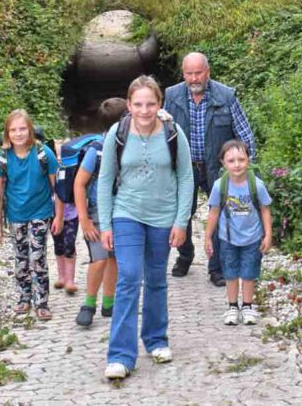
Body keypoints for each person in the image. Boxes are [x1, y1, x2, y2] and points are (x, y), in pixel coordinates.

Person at [97, 76, 193, 380]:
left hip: (163, 217)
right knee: (128, 277)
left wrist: (181, 221)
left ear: (159, 104)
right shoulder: (118, 133)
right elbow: (104, 179)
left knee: (155, 279)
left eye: (150, 103)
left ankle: (156, 339)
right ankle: (121, 355)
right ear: (128, 105)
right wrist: (105, 223)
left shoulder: (173, 133)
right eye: (138, 104)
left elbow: (187, 178)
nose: (144, 110)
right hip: (127, 213)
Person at [164, 52, 257, 287]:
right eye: (189, 73)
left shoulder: (226, 96)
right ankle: (185, 256)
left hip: (217, 166)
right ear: (183, 74)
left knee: (222, 216)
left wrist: (242, 168)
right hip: (184, 167)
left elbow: (244, 135)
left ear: (208, 72)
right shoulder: (172, 96)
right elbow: (163, 132)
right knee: (181, 211)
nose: (194, 78)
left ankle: (217, 266)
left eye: (198, 73)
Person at [0, 109, 64, 321]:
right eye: (13, 130)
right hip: (15, 214)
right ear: (7, 133)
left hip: (40, 212)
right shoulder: (2, 158)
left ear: (30, 130)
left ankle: (41, 301)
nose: (19, 134)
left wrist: (59, 216)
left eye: (23, 129)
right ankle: (24, 297)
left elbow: (57, 187)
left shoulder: (43, 154)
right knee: (21, 257)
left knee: (37, 255)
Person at [204, 140, 273, 325]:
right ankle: (233, 306)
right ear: (223, 163)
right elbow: (214, 211)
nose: (237, 165)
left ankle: (248, 306)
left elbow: (265, 209)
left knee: (249, 273)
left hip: (253, 237)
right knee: (230, 273)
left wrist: (268, 234)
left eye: (241, 159)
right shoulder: (220, 185)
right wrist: (207, 237)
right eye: (231, 160)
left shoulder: (256, 185)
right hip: (228, 238)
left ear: (248, 161)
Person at [74, 97, 126, 327]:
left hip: (122, 210)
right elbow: (79, 183)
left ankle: (109, 302)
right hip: (96, 212)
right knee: (99, 258)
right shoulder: (96, 151)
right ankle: (88, 304)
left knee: (113, 257)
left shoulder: (130, 146)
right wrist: (84, 220)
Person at [53, 140, 80, 295]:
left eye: (60, 155)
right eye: (56, 155)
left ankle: (70, 280)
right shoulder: (50, 173)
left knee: (70, 244)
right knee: (58, 245)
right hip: (54, 215)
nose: (58, 158)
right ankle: (61, 276)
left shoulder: (72, 172)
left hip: (72, 215)